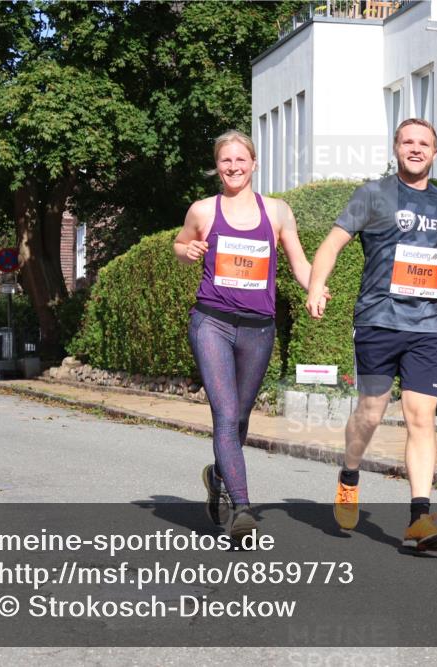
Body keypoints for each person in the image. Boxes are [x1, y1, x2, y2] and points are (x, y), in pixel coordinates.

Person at [305, 118, 437, 551]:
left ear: (435, 152)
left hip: (427, 326)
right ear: (396, 148)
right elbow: (332, 245)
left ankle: (419, 516)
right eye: (408, 142)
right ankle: (350, 474)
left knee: (421, 417)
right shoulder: (372, 194)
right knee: (371, 413)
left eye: (424, 143)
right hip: (378, 321)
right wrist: (317, 285)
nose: (416, 149)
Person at [174, 129, 325, 544]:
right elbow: (181, 243)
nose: (234, 167)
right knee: (224, 415)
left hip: (259, 327)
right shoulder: (204, 210)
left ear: (254, 164)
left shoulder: (277, 212)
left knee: (240, 418)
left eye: (241, 160)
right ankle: (242, 509)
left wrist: (316, 286)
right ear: (217, 167)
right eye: (226, 161)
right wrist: (185, 251)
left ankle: (218, 475)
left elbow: (299, 263)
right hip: (212, 322)